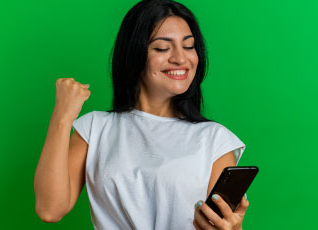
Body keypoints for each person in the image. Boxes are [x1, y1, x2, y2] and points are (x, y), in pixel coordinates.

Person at [34, 0, 250, 229]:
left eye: (189, 46)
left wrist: (232, 228)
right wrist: (62, 116)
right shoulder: (95, 128)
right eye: (162, 48)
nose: (180, 58)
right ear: (134, 54)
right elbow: (50, 209)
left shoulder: (215, 139)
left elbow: (220, 223)